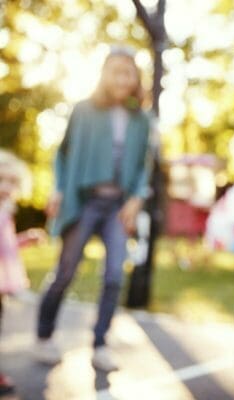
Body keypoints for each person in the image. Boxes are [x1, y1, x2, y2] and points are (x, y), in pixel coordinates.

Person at [34, 46, 152, 372]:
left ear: (135, 79)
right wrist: (59, 188)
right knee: (65, 271)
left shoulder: (141, 119)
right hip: (84, 201)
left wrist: (136, 197)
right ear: (103, 74)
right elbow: (63, 153)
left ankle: (100, 343)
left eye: (127, 72)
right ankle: (44, 336)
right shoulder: (84, 110)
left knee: (115, 275)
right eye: (114, 70)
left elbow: (145, 166)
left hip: (117, 207)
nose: (121, 77)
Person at [0, 150, 45, 397]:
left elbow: (6, 247)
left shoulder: (6, 212)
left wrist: (25, 239)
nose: (6, 187)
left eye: (12, 182)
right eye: (1, 180)